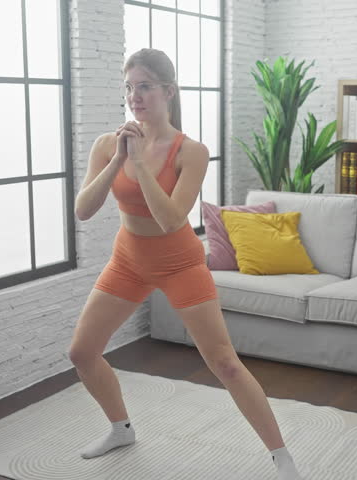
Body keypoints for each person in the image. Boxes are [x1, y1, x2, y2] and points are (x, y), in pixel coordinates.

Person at [70, 48, 304, 480]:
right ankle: (121, 428)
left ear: (168, 91)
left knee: (225, 363)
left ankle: (282, 457)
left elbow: (172, 218)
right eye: (129, 87)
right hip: (128, 258)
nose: (134, 96)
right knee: (82, 353)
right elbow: (83, 210)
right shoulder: (109, 144)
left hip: (179, 262)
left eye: (144, 86)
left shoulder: (190, 151)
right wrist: (119, 160)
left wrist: (140, 164)